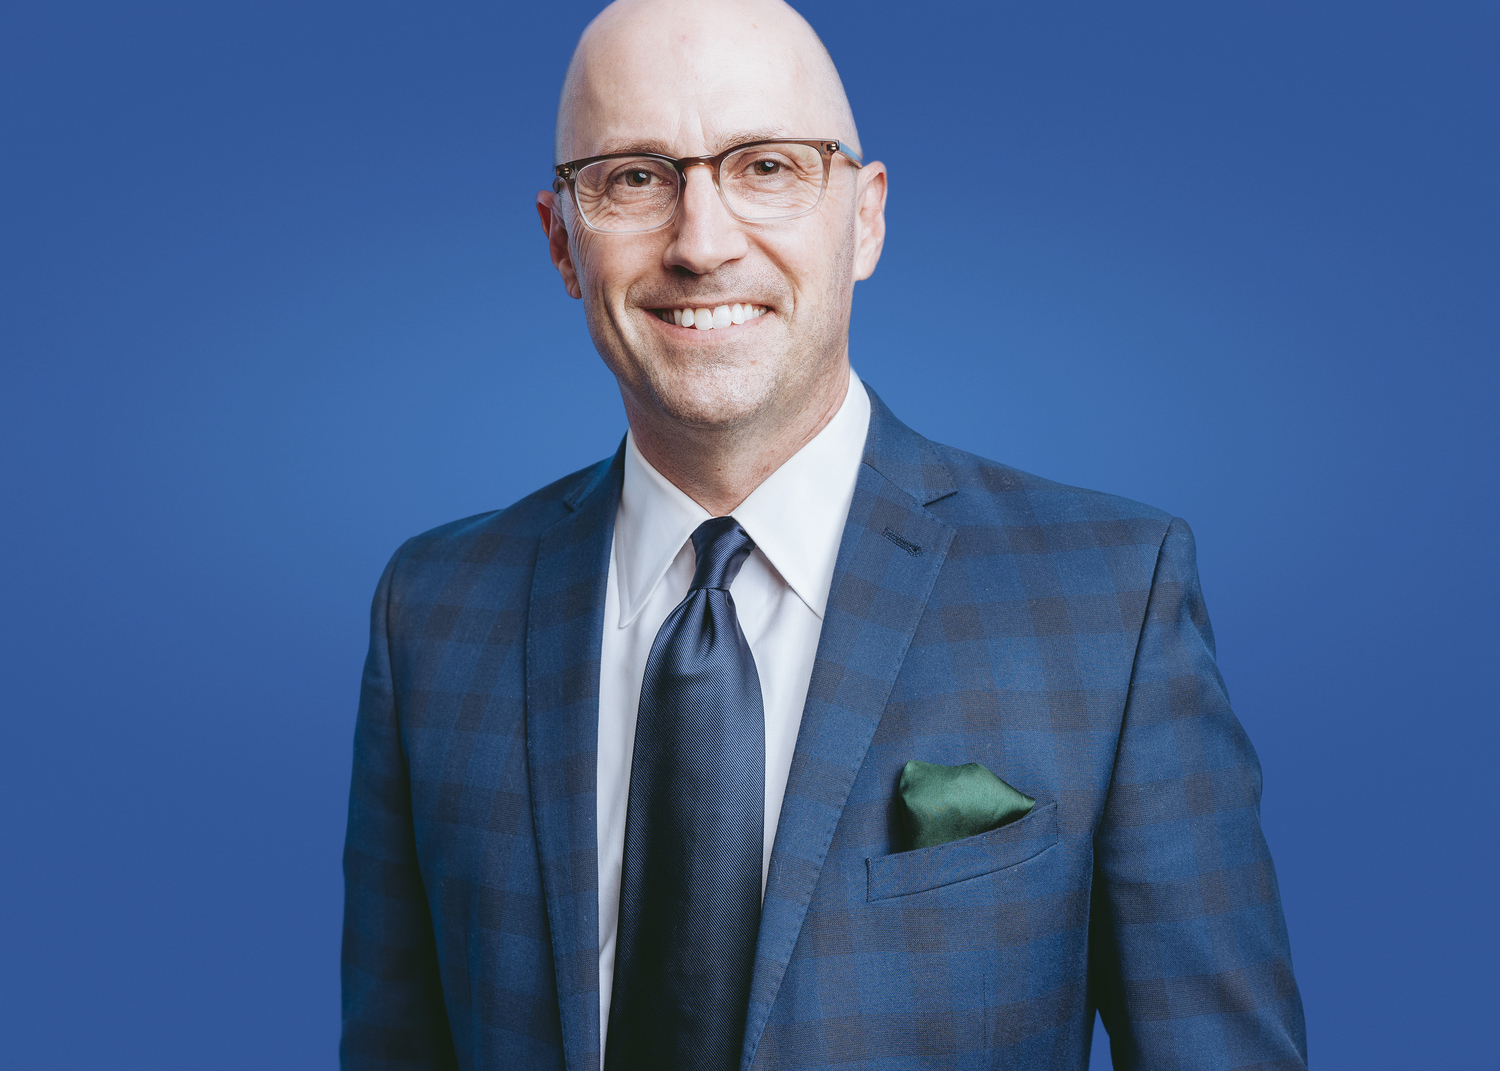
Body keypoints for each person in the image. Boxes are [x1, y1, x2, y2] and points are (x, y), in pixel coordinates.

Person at [339, 0, 1307, 1067]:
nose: (702, 244)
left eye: (767, 167)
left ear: (867, 218)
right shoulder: (433, 614)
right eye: (635, 178)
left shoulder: (1111, 603)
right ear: (562, 240)